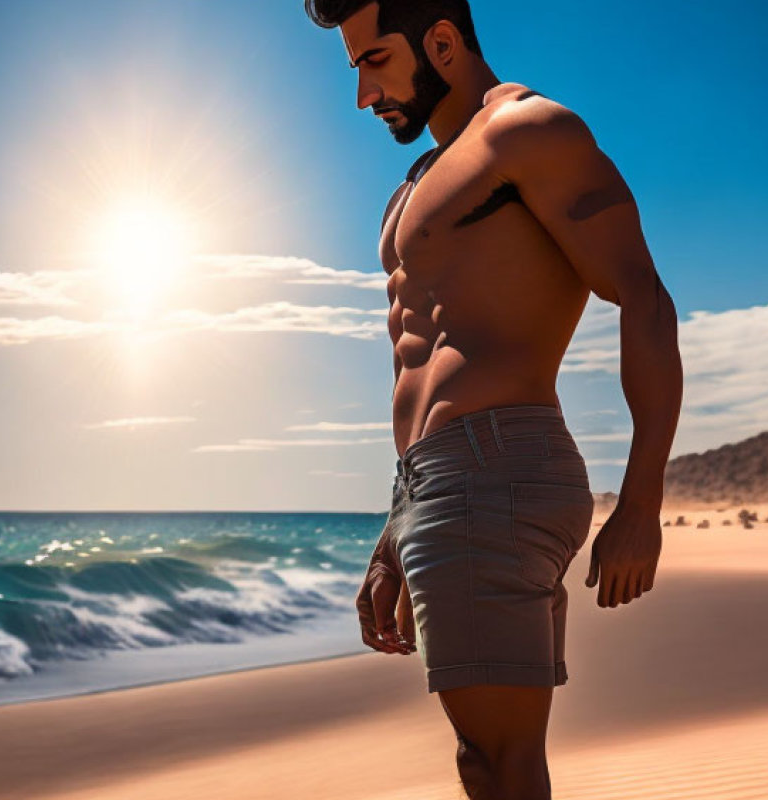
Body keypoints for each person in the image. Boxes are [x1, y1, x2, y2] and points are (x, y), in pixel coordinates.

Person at [304, 1, 683, 797]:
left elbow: (643, 297)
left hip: (496, 469)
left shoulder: (527, 131)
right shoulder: (414, 187)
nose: (363, 99)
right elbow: (419, 369)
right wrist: (394, 528)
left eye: (375, 63)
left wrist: (643, 498)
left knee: (497, 759)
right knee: (489, 758)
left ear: (441, 41)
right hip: (445, 484)